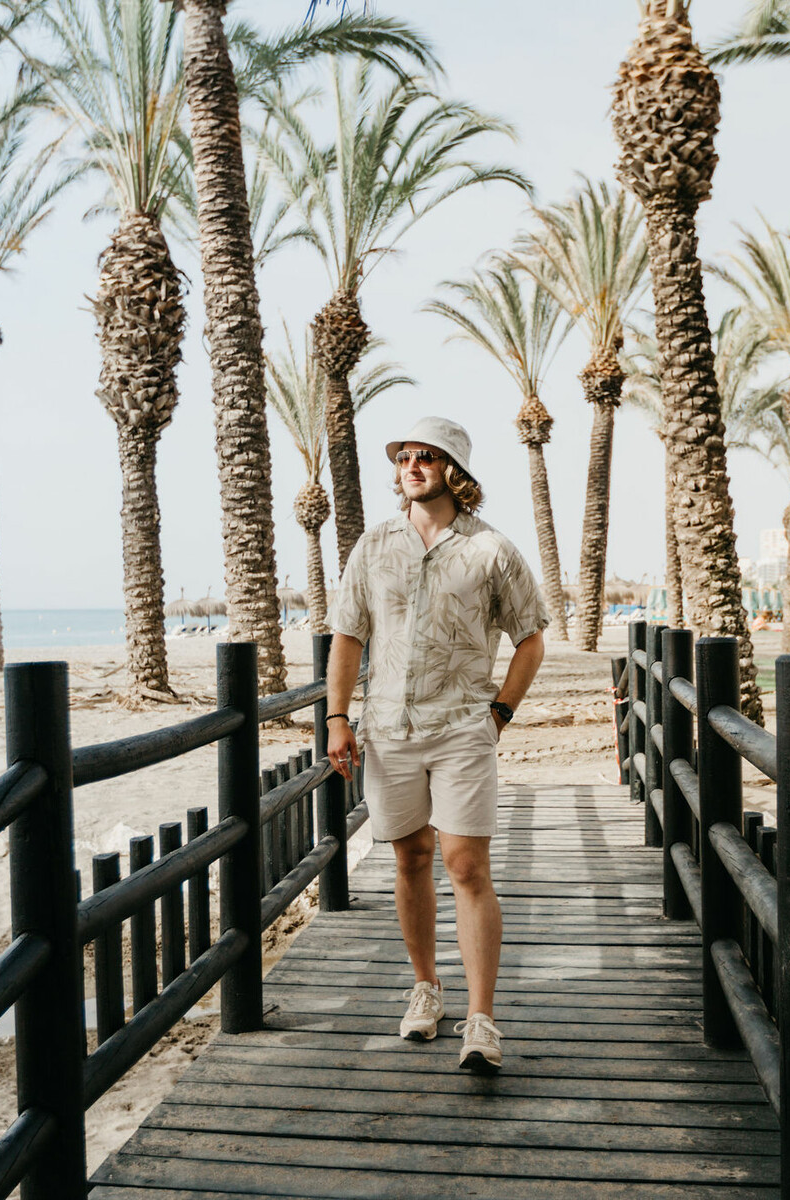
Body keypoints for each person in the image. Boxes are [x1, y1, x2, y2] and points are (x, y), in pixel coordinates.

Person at [324, 416, 548, 1074]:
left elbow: (530, 636)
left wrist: (500, 710)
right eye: (404, 458)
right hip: (388, 730)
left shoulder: (491, 551)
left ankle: (482, 1018)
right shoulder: (373, 546)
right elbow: (347, 637)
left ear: (456, 470)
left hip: (461, 729)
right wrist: (338, 718)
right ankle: (427, 987)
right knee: (410, 859)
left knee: (467, 865)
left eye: (428, 457)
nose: (413, 466)